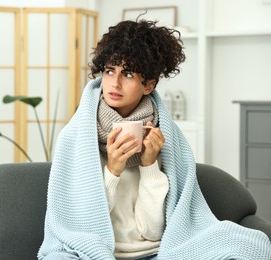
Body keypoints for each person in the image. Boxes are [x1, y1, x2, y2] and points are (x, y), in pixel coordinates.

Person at [38, 18, 271, 260]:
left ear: (148, 85)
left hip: (156, 252)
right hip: (91, 252)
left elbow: (151, 231)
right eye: (109, 71)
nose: (114, 83)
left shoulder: (166, 139)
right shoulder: (75, 138)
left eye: (127, 73)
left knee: (253, 245)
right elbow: (79, 227)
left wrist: (149, 166)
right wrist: (113, 171)